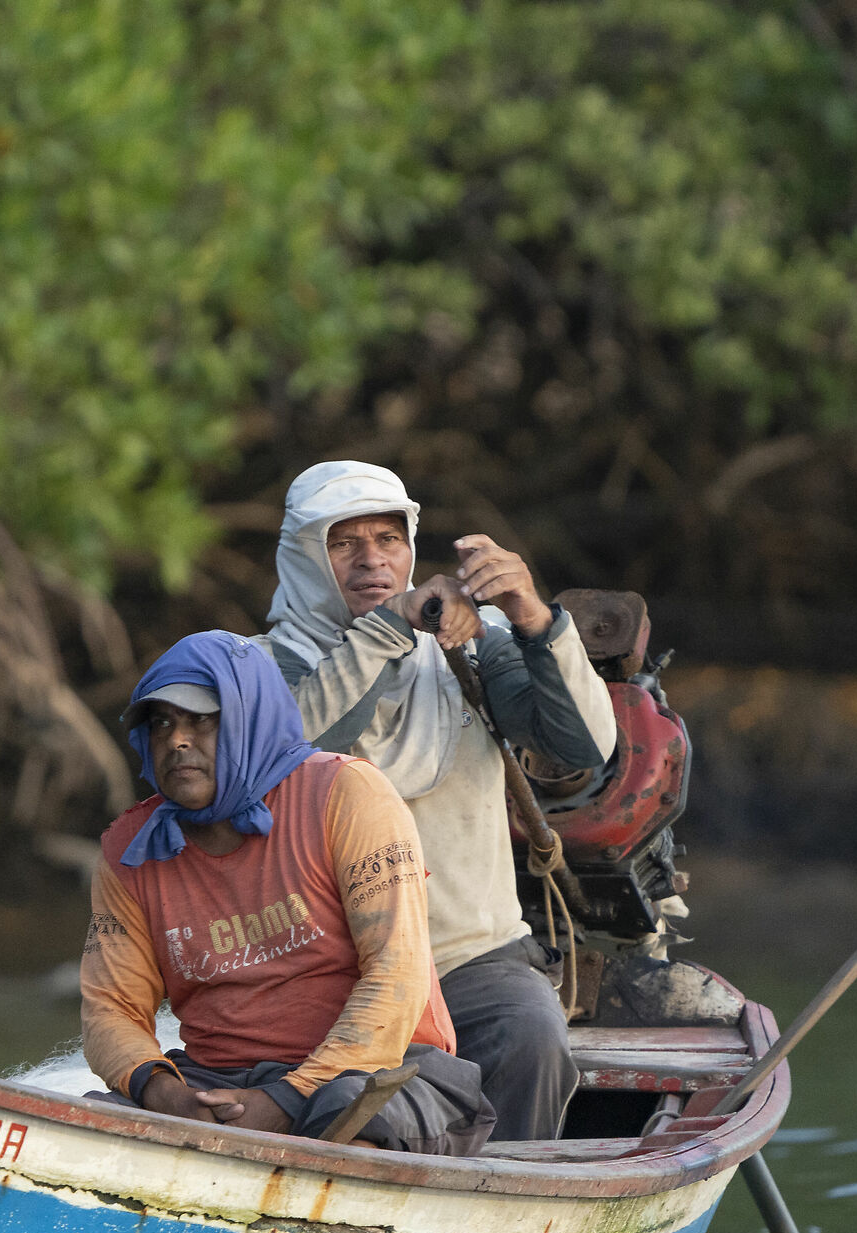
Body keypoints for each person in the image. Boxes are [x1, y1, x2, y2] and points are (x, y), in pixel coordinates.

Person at [255, 461, 617, 1142]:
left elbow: (583, 748)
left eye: (388, 540)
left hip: (468, 960)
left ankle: (506, 1229)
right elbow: (299, 749)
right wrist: (391, 630)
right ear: (305, 557)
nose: (372, 561)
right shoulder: (258, 667)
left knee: (533, 1037)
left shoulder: (470, 649)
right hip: (324, 973)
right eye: (343, 544)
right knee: (339, 1106)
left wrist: (531, 617)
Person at [78, 631, 494, 1155]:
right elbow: (111, 1008)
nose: (177, 740)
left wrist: (286, 1099)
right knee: (93, 1134)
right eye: (161, 723)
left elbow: (397, 974)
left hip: (381, 1071)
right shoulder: (129, 848)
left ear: (252, 716)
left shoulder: (346, 795)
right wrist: (169, 1097)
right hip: (215, 1080)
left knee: (353, 1134)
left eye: (202, 718)